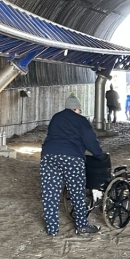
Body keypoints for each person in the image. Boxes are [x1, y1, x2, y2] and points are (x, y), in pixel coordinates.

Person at [40, 94, 106, 237]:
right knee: (77, 192)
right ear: (76, 109)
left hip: (49, 156)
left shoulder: (56, 117)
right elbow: (90, 141)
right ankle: (82, 226)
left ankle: (52, 230)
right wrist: (100, 155)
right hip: (71, 158)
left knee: (50, 194)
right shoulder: (81, 121)